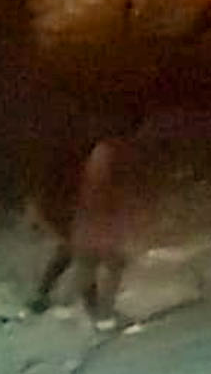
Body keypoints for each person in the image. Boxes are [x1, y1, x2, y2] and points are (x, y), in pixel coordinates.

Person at [30, 116, 138, 332]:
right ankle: (96, 313)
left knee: (83, 260)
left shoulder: (84, 157)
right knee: (103, 261)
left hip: (78, 217)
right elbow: (99, 192)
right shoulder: (101, 156)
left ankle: (64, 303)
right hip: (86, 219)